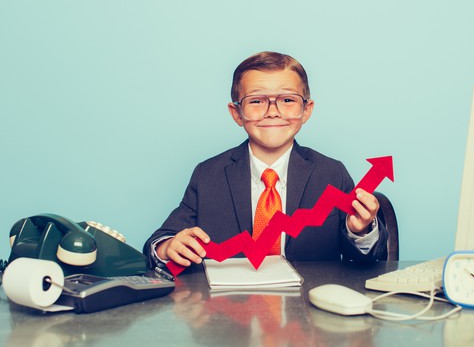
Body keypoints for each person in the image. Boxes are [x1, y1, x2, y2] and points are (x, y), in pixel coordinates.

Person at [143, 51, 388, 269]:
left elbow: (365, 260)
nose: (272, 111)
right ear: (236, 113)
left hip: (308, 311)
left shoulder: (331, 173)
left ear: (307, 110)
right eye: (257, 101)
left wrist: (361, 231)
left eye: (288, 100)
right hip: (229, 311)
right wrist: (167, 248)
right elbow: (161, 239)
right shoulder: (208, 174)